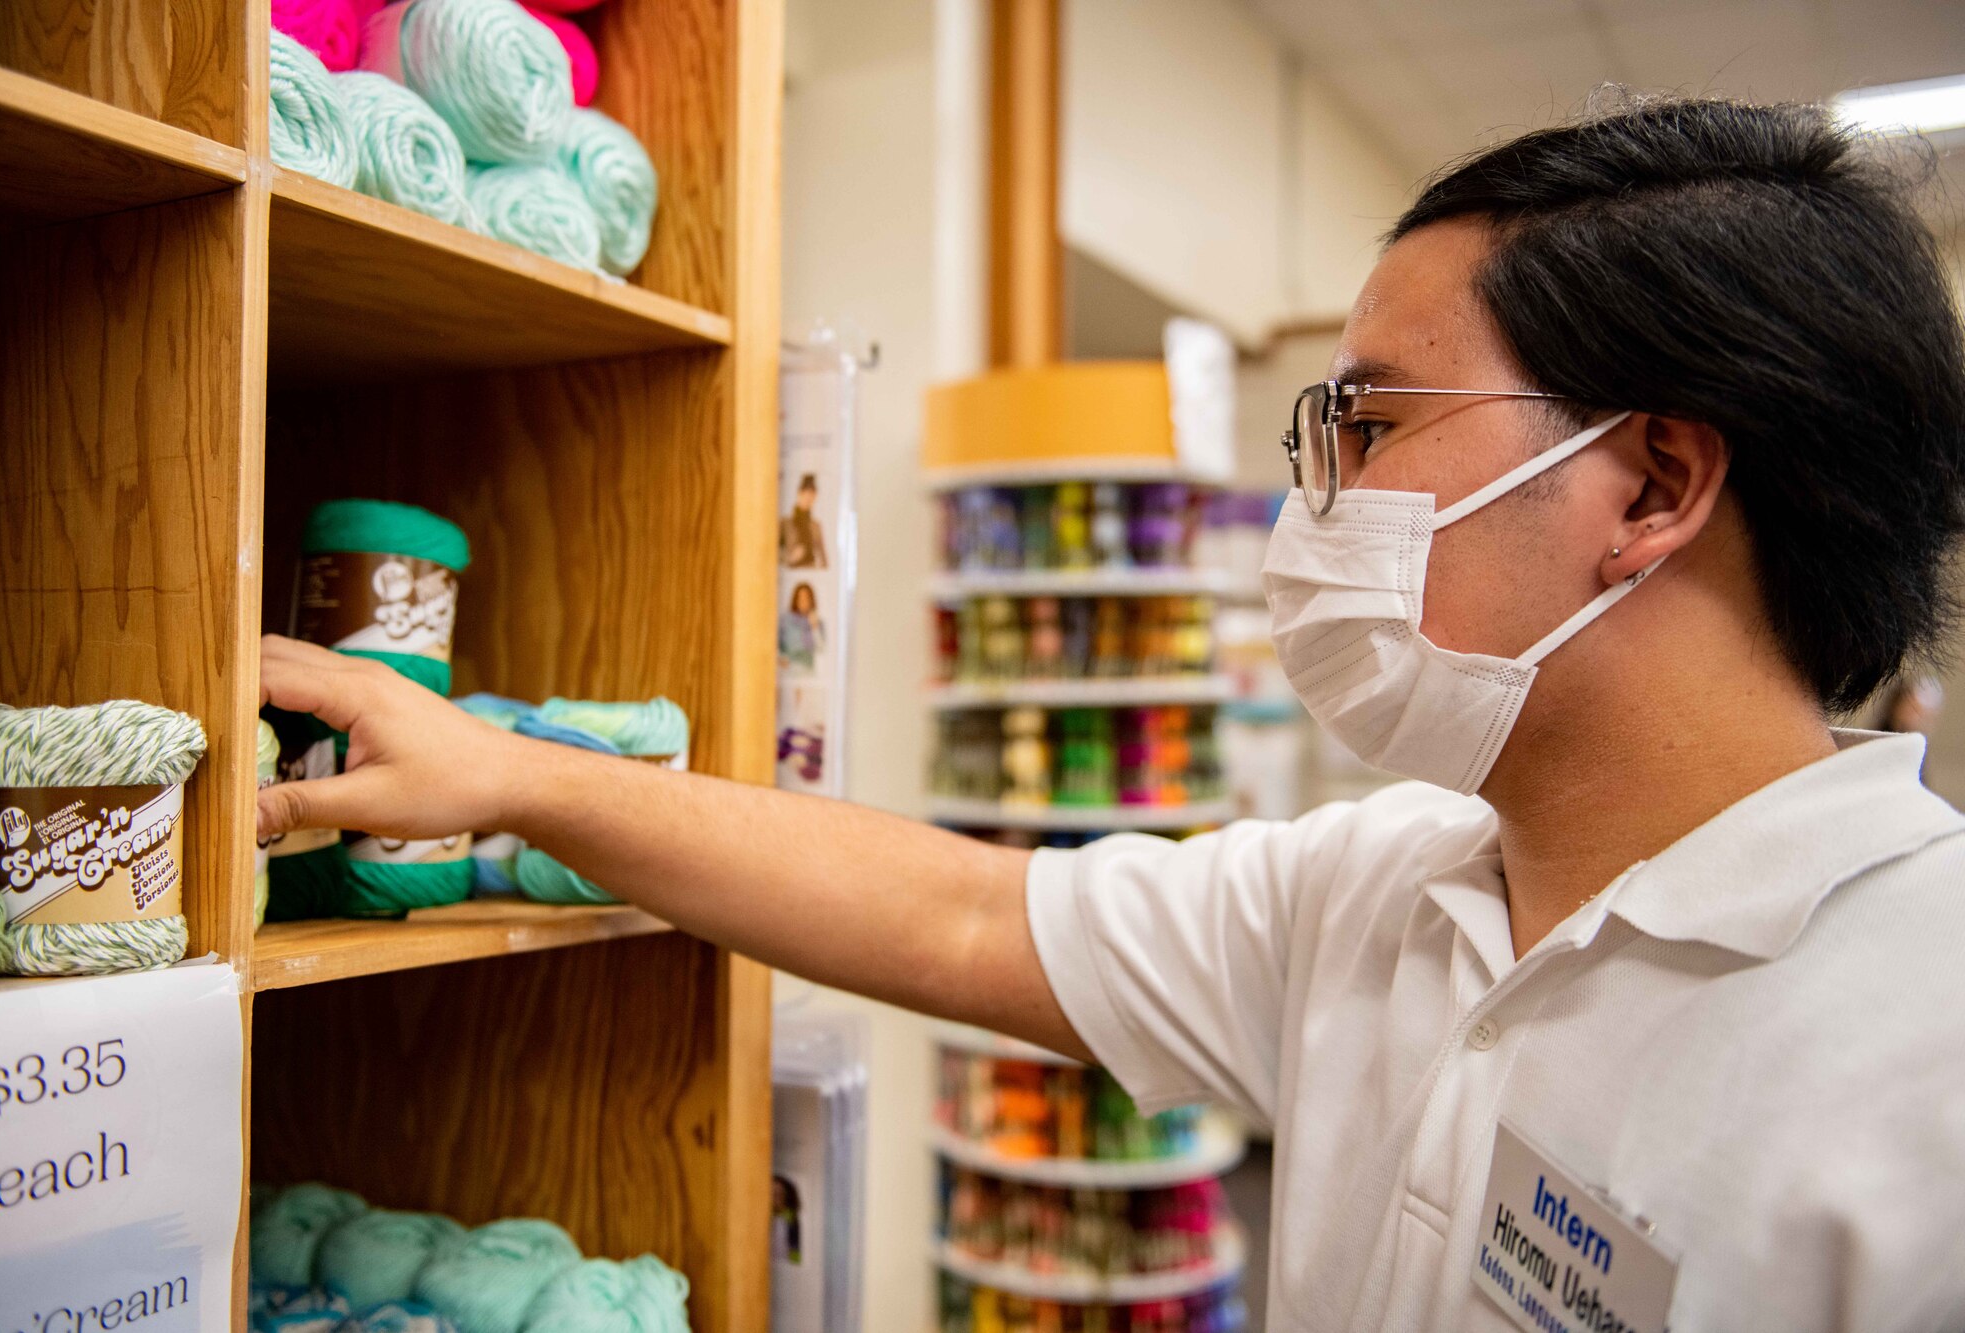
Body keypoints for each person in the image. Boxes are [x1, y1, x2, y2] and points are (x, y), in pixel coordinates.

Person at [258, 96, 1965, 1330]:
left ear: (1651, 481)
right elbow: (960, 901)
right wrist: (509, 773)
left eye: (1367, 426)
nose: (1317, 496)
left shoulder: (1922, 1049)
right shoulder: (1386, 889)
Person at [780, 473, 830, 568]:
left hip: (811, 570)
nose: (808, 499)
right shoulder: (786, 523)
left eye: (812, 496)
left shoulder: (815, 525)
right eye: (806, 494)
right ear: (799, 493)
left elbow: (823, 558)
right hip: (791, 571)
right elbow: (773, 553)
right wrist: (789, 558)